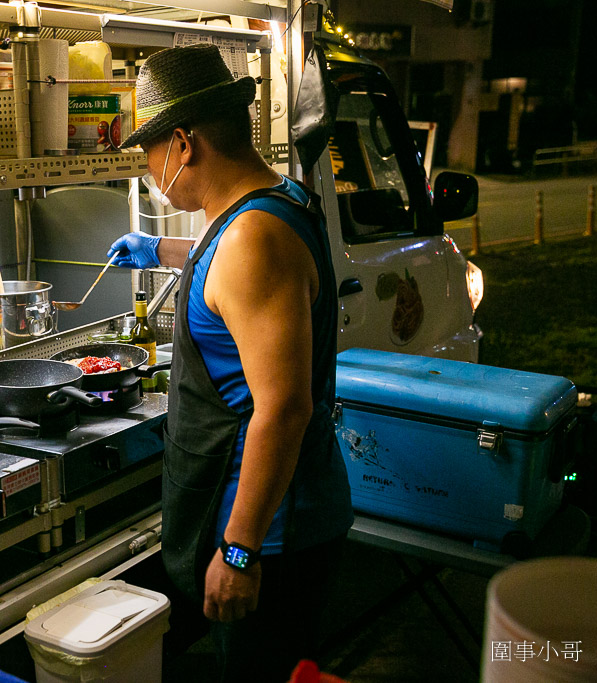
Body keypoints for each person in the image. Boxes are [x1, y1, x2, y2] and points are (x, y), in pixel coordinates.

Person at [107, 44, 353, 680]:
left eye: (150, 154)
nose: (150, 169)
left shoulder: (252, 239)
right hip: (288, 521)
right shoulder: (279, 201)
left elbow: (283, 408)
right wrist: (159, 247)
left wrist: (239, 552)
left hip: (271, 538)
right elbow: (233, 263)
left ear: (183, 144)